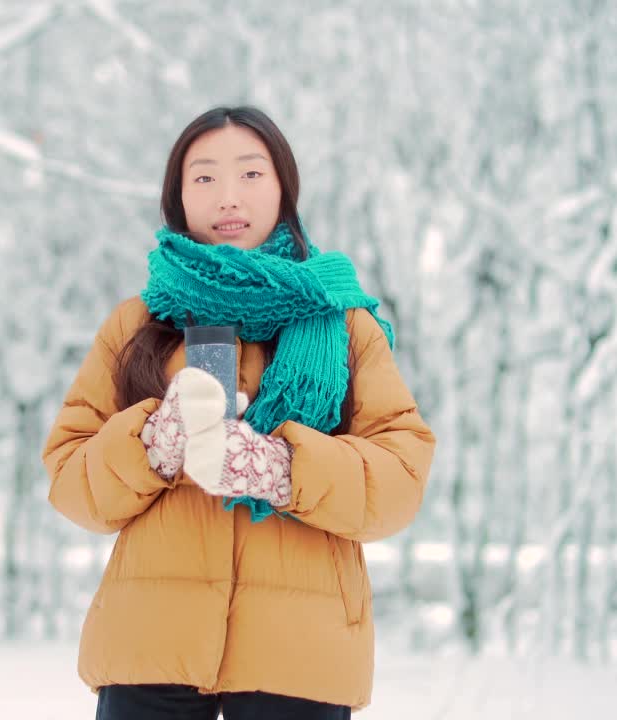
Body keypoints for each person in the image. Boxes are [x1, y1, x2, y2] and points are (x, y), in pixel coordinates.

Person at [41, 105, 436, 719]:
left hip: (300, 652)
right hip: (150, 643)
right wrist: (151, 442)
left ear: (284, 188)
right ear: (178, 196)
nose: (228, 196)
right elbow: (70, 479)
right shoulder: (137, 325)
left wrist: (281, 469)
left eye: (250, 175)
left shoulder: (344, 323)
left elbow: (401, 478)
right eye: (204, 178)